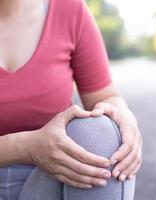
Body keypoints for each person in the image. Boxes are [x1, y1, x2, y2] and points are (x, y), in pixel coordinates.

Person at [0, 0, 142, 199]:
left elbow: (105, 97)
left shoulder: (69, 9)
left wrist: (124, 118)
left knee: (100, 131)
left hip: (45, 183)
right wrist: (26, 147)